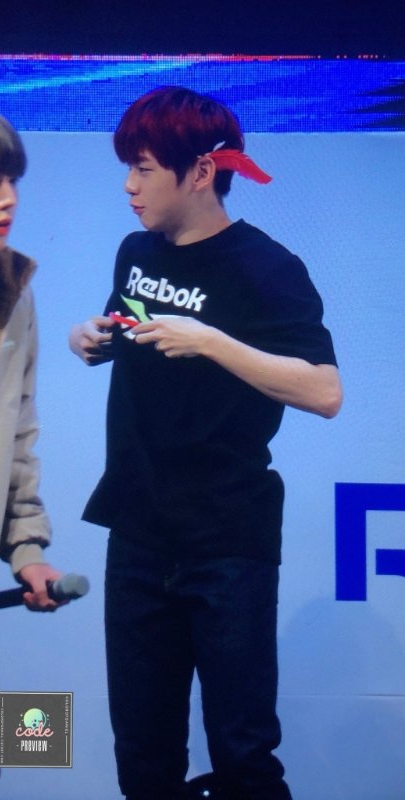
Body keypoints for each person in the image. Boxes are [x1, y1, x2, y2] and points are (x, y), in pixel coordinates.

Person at [69, 86, 342, 800]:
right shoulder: (136, 252)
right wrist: (89, 336)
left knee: (243, 754)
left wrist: (214, 342)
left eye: (144, 168)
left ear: (199, 172)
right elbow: (127, 324)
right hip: (138, 532)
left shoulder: (266, 267)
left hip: (226, 542)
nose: (129, 187)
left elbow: (324, 391)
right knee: (143, 757)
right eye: (127, 168)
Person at [0, 104, 66, 800]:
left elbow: (15, 437)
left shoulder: (11, 292)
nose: (7, 199)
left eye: (11, 179)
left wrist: (26, 546)